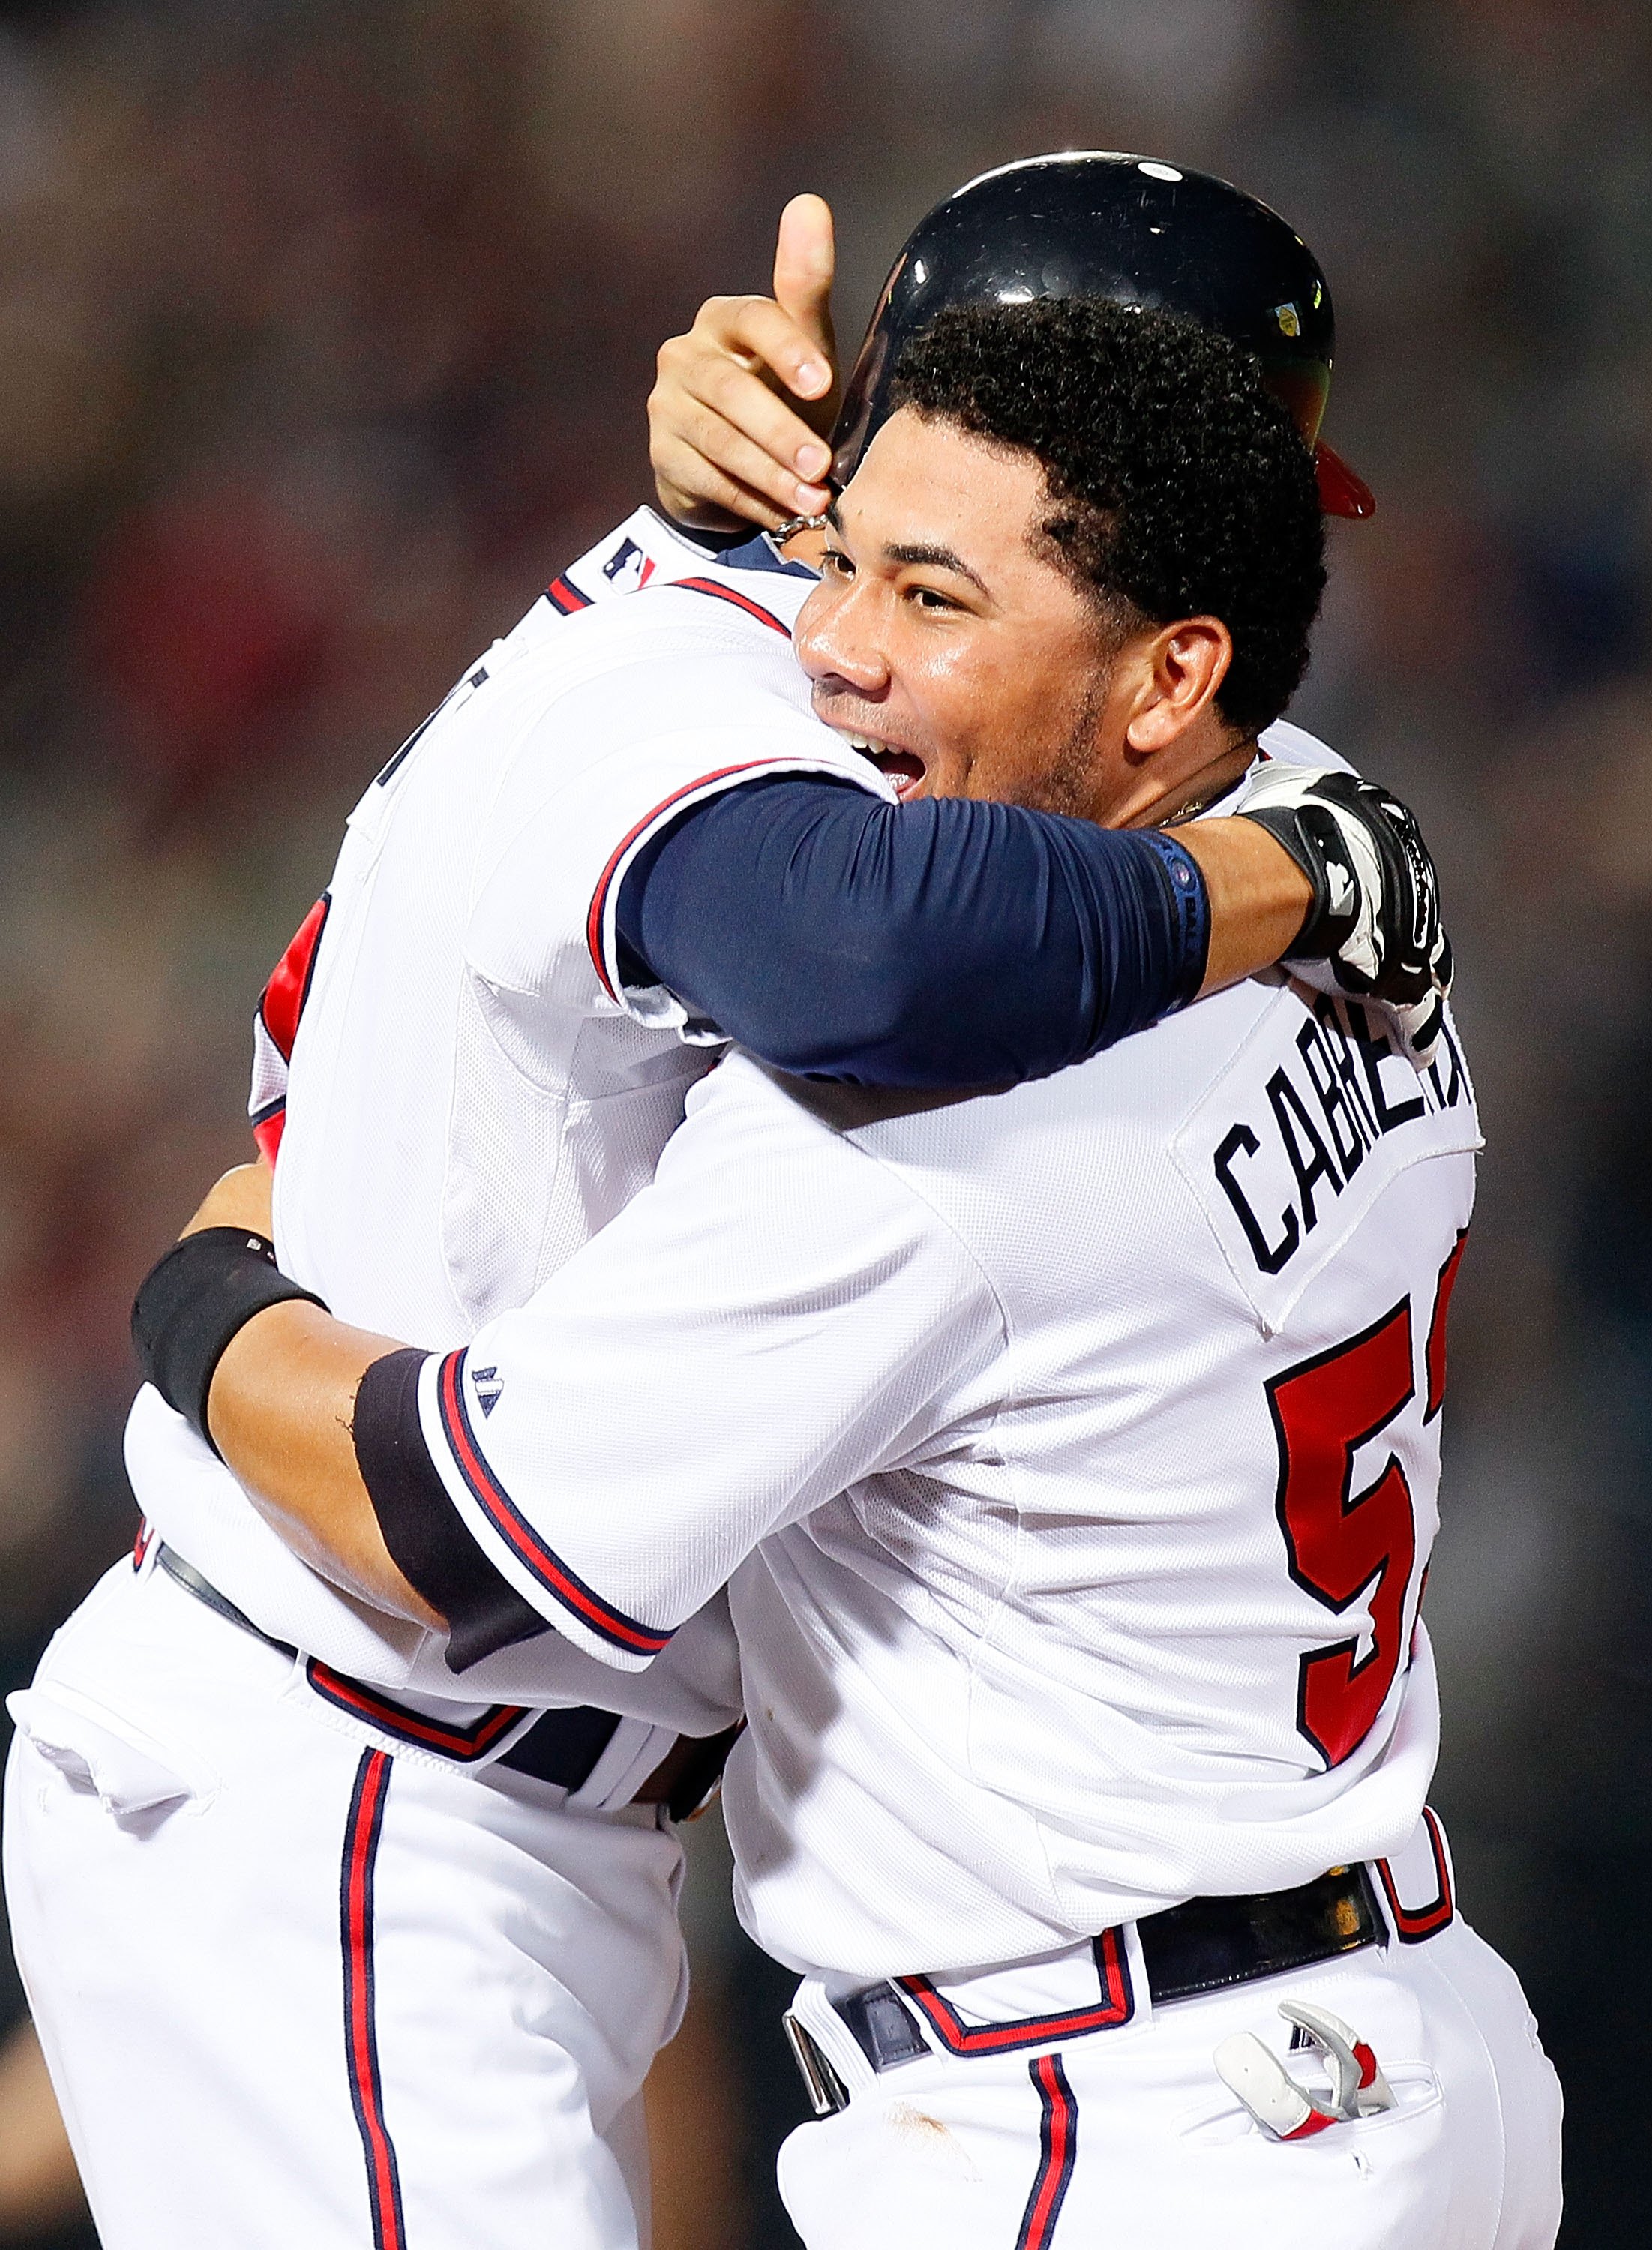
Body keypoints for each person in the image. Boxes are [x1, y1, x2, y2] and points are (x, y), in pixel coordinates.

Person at [4, 158, 1447, 2250]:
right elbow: (866, 963)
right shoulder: (735, 683)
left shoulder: (865, 670)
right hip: (348, 1730)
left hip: (505, 1772)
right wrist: (201, 1301)